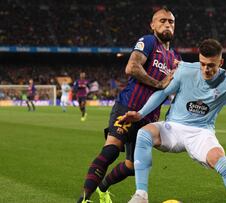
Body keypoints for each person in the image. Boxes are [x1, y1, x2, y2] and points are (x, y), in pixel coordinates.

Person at [123, 39, 226, 203]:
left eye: (211, 65)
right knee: (144, 133)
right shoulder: (185, 70)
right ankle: (141, 196)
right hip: (174, 127)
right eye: (202, 64)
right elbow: (162, 93)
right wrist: (140, 114)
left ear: (220, 62)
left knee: (221, 161)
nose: (205, 69)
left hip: (201, 132)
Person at [77, 7, 181, 203]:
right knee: (111, 149)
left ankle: (102, 188)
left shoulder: (176, 58)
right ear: (153, 25)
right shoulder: (149, 42)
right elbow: (131, 67)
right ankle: (83, 200)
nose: (167, 24)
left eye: (171, 21)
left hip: (148, 119)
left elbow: (175, 89)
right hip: (128, 107)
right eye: (162, 21)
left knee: (132, 167)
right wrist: (159, 84)